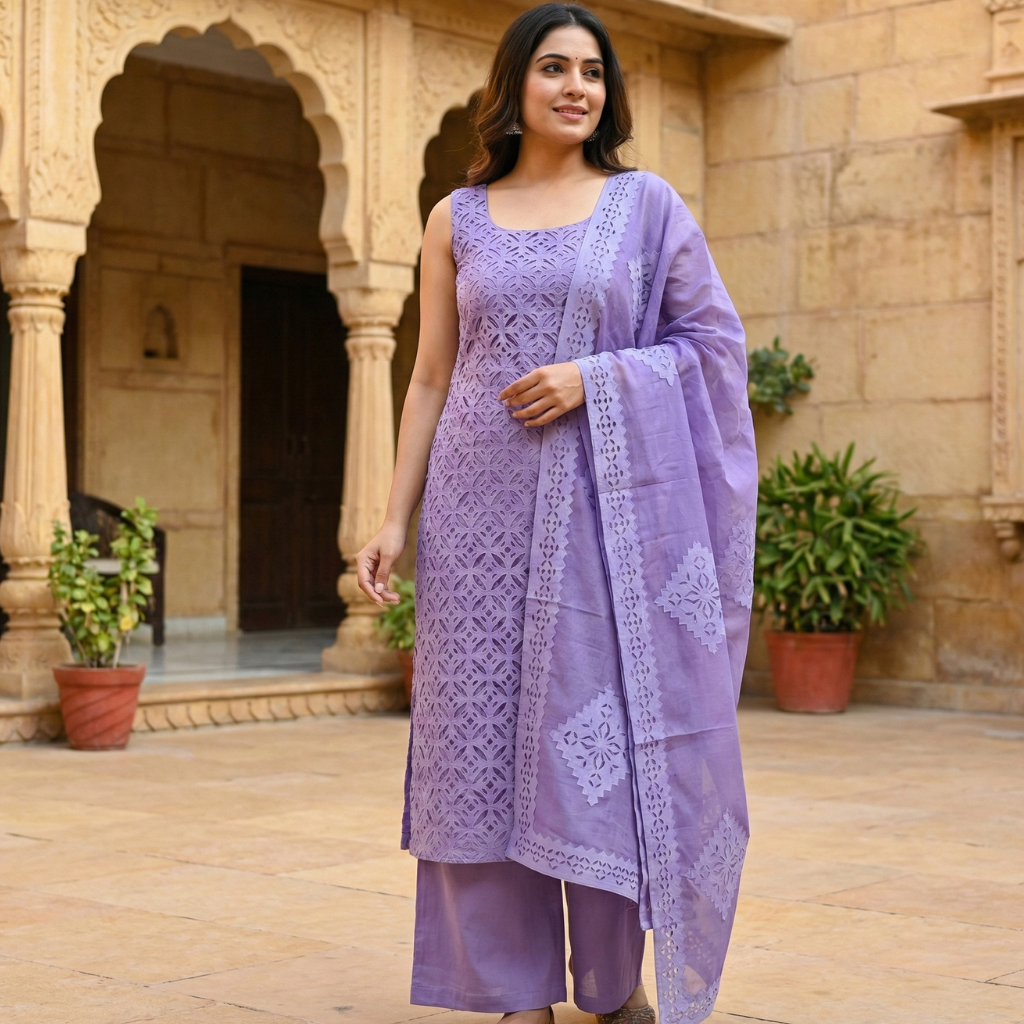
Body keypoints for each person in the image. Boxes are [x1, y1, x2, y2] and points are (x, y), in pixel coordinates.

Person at [356, 4, 756, 1023]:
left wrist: (599, 377)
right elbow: (429, 377)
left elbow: (711, 347)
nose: (576, 86)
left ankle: (609, 983)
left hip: (602, 527)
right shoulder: (457, 217)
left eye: (591, 70)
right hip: (473, 516)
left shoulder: (644, 205)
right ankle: (510, 989)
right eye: (553, 68)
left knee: (594, 745)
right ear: (514, 86)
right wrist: (393, 519)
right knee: (477, 750)